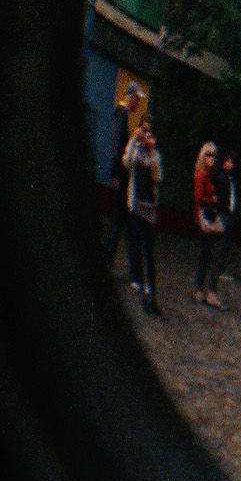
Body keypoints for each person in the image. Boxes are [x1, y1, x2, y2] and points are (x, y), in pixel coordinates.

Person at [123, 114, 163, 316]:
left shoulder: (154, 153)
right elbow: (127, 163)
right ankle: (136, 277)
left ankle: (149, 284)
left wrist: (153, 150)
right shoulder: (135, 147)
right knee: (135, 241)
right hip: (135, 201)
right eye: (144, 129)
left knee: (149, 247)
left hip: (149, 205)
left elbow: (158, 176)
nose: (146, 133)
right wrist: (134, 140)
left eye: (149, 131)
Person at [105, 81, 142, 271]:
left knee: (119, 220)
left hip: (120, 176)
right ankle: (108, 259)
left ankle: (110, 257)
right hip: (120, 177)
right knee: (118, 219)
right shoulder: (122, 115)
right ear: (131, 97)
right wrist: (116, 174)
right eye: (137, 99)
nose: (138, 104)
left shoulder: (122, 115)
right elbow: (116, 147)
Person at [192, 142, 227, 310]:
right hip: (206, 217)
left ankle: (201, 289)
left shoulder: (208, 174)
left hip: (207, 216)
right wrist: (212, 200)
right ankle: (206, 290)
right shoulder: (202, 174)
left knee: (206, 254)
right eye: (209, 155)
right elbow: (199, 197)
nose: (212, 158)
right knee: (210, 254)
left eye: (214, 156)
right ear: (203, 156)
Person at [214, 149, 238, 282]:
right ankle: (219, 270)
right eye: (230, 162)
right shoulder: (222, 177)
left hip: (227, 212)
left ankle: (219, 269)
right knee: (223, 243)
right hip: (224, 213)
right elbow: (222, 197)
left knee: (225, 243)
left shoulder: (228, 177)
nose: (232, 165)